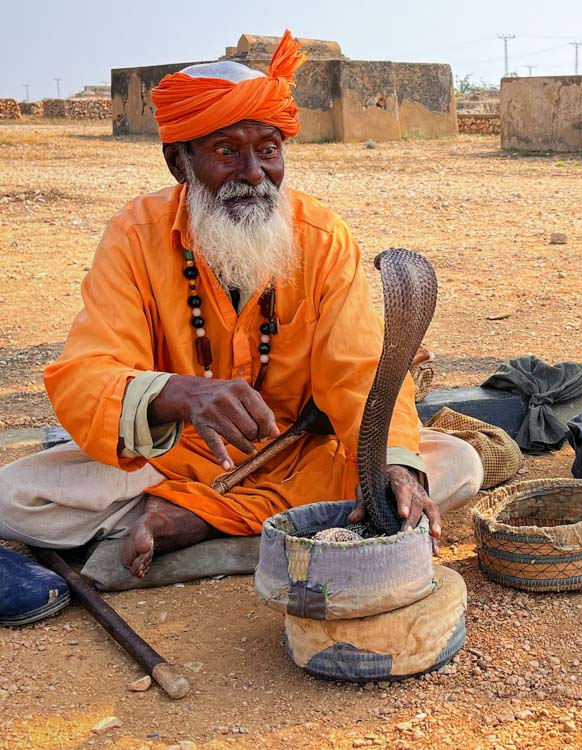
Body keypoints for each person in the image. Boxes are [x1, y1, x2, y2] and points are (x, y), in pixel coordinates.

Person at [0, 31, 484, 591]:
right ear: (180, 162)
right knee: (16, 497)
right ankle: (263, 528)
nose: (254, 174)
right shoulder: (135, 236)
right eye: (227, 152)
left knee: (451, 465)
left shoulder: (322, 238)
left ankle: (196, 523)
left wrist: (395, 464)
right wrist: (177, 394)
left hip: (298, 456)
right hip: (173, 459)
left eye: (268, 150)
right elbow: (88, 372)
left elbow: (358, 373)